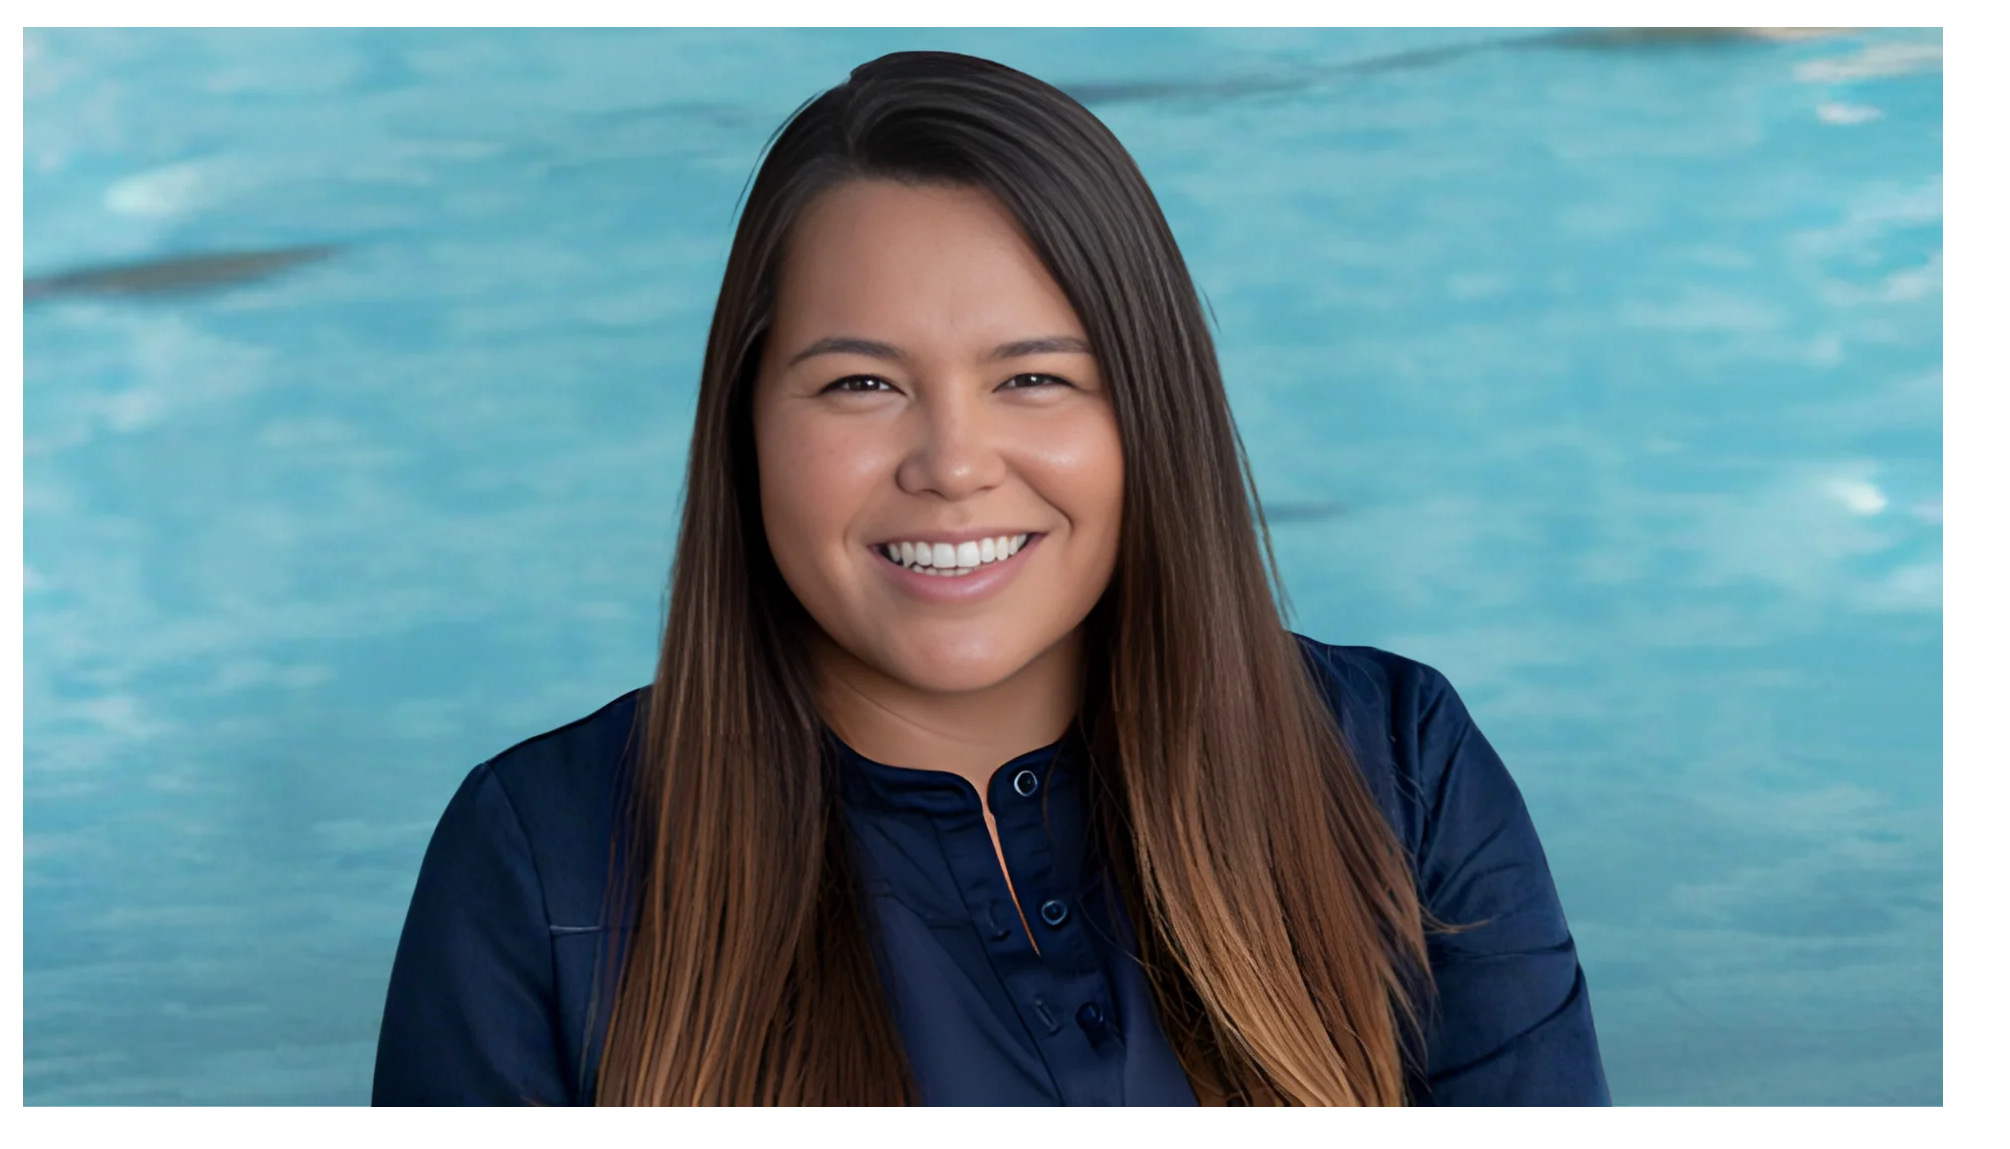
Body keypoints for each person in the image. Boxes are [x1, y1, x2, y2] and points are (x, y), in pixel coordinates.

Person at [370, 50, 1610, 1110]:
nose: (952, 466)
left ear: (1149, 417)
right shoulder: (540, 863)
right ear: (746, 422)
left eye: (1034, 377)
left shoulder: (1396, 771)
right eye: (861, 384)